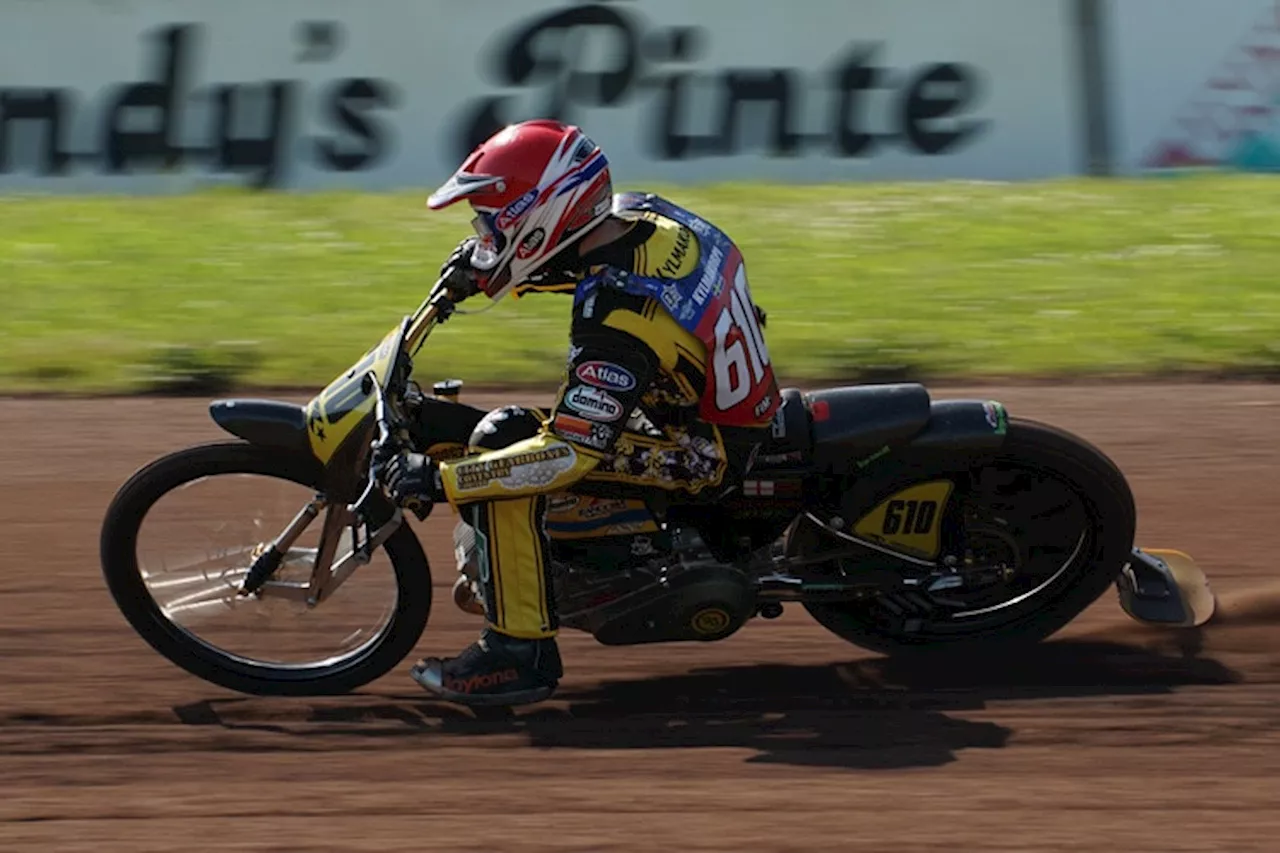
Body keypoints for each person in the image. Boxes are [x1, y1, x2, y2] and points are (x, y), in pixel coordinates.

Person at [381, 119, 780, 706]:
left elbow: (568, 454)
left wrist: (441, 482)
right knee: (487, 436)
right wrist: (489, 271)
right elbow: (600, 267)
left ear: (542, 216)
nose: (486, 234)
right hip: (708, 402)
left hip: (702, 453)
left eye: (495, 224)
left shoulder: (614, 323)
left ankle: (520, 653)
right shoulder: (649, 217)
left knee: (503, 453)